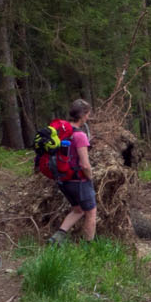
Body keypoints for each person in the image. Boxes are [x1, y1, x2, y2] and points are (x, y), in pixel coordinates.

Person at [49, 98, 97, 245]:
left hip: (63, 180)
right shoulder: (80, 135)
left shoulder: (60, 132)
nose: (88, 117)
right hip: (79, 181)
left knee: (77, 210)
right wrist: (90, 177)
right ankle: (89, 248)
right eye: (88, 114)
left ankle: (56, 239)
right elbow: (84, 164)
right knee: (91, 213)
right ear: (83, 115)